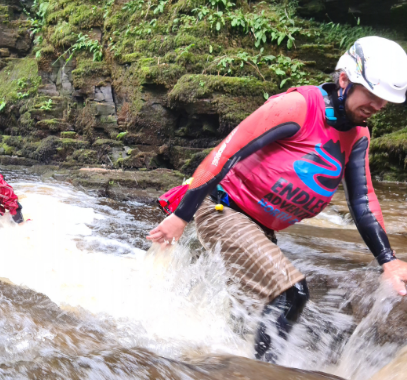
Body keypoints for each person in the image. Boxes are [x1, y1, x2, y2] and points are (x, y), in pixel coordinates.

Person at [146, 36, 407, 362]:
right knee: (290, 294)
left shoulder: (358, 136)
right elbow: (225, 153)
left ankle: (214, 362)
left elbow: (363, 200)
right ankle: (265, 371)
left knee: (247, 315)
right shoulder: (297, 107)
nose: (379, 106)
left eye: (385, 100)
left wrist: (388, 261)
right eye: (373, 94)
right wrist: (180, 216)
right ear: (344, 80)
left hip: (259, 228)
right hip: (222, 208)